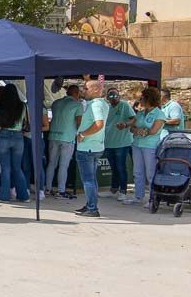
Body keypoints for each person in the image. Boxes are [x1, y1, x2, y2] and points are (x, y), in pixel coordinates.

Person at [74, 79, 109, 218]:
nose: (83, 90)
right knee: (91, 179)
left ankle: (92, 208)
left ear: (95, 90)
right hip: (95, 146)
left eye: (86, 88)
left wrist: (83, 134)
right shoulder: (100, 104)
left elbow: (99, 124)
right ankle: (90, 204)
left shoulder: (96, 105)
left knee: (88, 179)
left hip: (88, 147)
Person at [126, 86, 166, 206]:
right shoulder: (140, 113)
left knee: (150, 172)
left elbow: (154, 130)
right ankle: (138, 196)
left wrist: (144, 131)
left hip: (150, 146)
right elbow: (132, 127)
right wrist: (137, 130)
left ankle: (153, 198)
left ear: (149, 99)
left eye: (142, 98)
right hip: (137, 144)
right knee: (137, 171)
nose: (140, 100)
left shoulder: (159, 114)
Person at [0, 85, 29, 203]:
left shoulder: (0, 106)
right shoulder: (23, 106)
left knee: (5, 168)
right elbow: (26, 123)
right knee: (17, 167)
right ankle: (23, 195)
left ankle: (4, 196)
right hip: (18, 137)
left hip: (4, 136)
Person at [45, 85, 82, 198]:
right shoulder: (77, 105)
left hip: (53, 135)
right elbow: (79, 122)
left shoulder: (56, 103)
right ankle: (61, 191)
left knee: (51, 163)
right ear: (76, 93)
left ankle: (48, 188)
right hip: (68, 137)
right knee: (63, 165)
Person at [104, 88, 135, 201]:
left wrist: (126, 124)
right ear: (107, 97)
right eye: (110, 96)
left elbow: (133, 119)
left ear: (119, 96)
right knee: (113, 167)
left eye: (115, 95)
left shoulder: (124, 105)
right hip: (109, 142)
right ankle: (113, 189)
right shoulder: (106, 107)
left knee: (121, 167)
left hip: (122, 142)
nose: (113, 98)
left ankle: (123, 191)